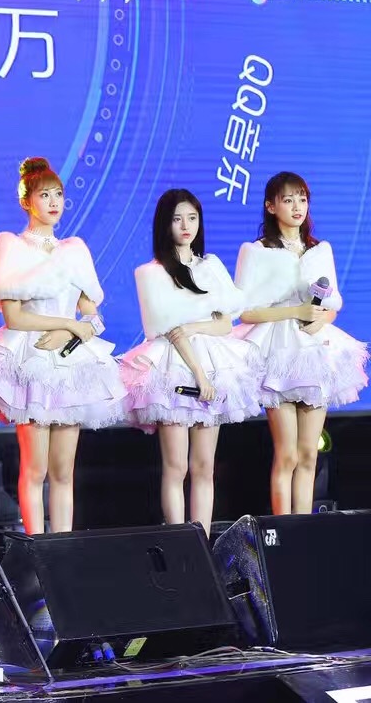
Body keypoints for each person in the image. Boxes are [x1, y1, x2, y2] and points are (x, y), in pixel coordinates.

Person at [0, 158, 126, 534]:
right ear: (26, 201)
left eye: (58, 194)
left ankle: (63, 548)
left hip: (68, 363)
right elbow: (14, 318)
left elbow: (93, 317)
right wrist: (66, 324)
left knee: (64, 471)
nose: (53, 202)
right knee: (36, 469)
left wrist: (73, 331)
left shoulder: (74, 251)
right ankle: (37, 548)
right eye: (44, 195)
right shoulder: (13, 248)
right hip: (31, 361)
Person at [118, 189, 263, 535]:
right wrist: (199, 373)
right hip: (174, 368)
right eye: (177, 218)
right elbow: (166, 329)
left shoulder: (210, 266)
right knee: (176, 467)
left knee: (204, 466)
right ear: (164, 224)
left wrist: (194, 326)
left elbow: (226, 323)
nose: (186, 226)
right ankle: (179, 542)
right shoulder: (152, 273)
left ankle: (202, 541)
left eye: (192, 218)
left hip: (213, 361)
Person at [234, 171, 367, 515]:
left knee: (309, 453)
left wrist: (322, 317)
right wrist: (295, 310)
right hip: (276, 349)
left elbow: (333, 303)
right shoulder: (256, 251)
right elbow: (244, 312)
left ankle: (305, 529)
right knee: (287, 454)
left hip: (314, 350)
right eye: (288, 199)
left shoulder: (320, 250)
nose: (297, 206)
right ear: (271, 206)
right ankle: (283, 530)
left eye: (302, 199)